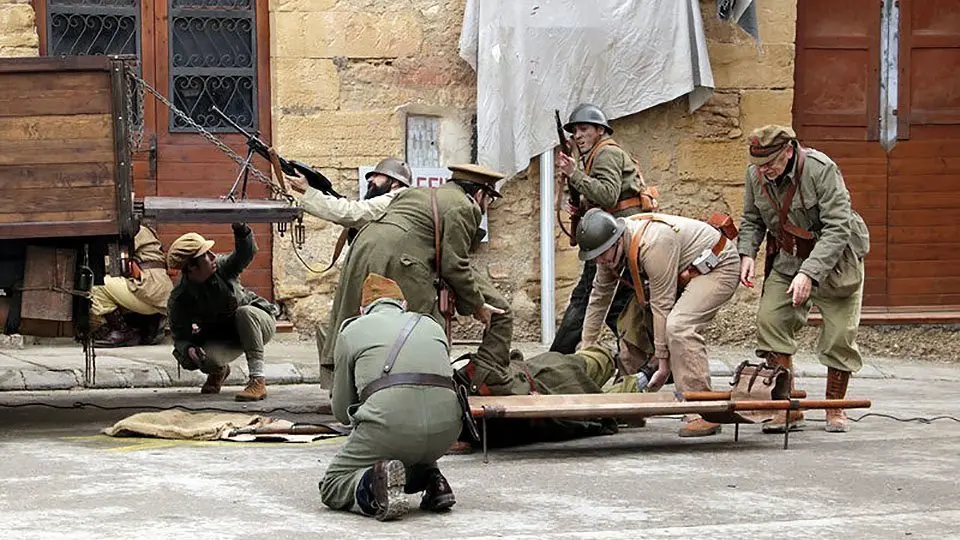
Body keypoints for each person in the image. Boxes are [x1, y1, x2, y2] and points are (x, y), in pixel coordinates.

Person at [319, 164, 513, 396]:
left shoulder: (423, 193)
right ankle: (428, 385)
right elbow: (454, 264)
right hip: (400, 259)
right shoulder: (463, 206)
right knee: (421, 324)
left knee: (358, 318)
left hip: (364, 250)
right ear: (480, 194)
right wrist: (477, 305)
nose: (486, 206)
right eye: (488, 199)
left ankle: (346, 389)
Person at [738, 125, 870, 433]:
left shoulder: (821, 170)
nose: (764, 170)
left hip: (836, 261)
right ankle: (787, 407)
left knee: (839, 335)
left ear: (788, 151)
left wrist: (809, 273)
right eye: (759, 164)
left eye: (770, 162)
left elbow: (838, 227)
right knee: (770, 320)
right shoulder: (755, 174)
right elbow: (752, 219)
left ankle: (834, 407)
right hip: (788, 258)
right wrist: (746, 253)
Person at [577, 208, 740, 437]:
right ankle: (631, 406)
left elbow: (662, 306)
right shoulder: (608, 253)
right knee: (629, 325)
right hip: (679, 272)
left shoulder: (653, 243)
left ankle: (702, 409)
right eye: (595, 256)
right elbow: (599, 298)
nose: (600, 260)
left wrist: (662, 365)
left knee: (680, 326)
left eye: (603, 253)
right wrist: (587, 345)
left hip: (717, 267)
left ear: (616, 240)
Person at [319, 274, 461, 521]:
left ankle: (371, 488)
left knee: (332, 484)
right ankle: (432, 479)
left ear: (363, 310)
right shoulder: (431, 325)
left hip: (389, 427)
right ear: (403, 305)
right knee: (414, 438)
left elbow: (342, 411)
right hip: (447, 432)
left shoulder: (351, 332)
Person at [552, 103, 655, 373]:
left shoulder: (606, 153)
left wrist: (575, 175)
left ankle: (558, 359)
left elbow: (609, 195)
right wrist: (581, 203)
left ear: (600, 130)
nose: (578, 135)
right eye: (574, 131)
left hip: (616, 237)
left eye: (584, 129)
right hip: (616, 236)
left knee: (586, 297)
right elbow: (606, 195)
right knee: (619, 305)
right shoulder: (596, 155)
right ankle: (651, 360)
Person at [454, 342, 645, 448]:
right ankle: (642, 376)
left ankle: (639, 374)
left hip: (546, 379)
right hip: (548, 382)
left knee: (599, 364)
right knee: (600, 365)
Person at [166, 222, 278, 401]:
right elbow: (180, 337)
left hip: (257, 323)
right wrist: (190, 350)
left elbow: (244, 254)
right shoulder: (180, 298)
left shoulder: (222, 267)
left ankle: (257, 380)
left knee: (245, 313)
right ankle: (219, 371)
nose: (212, 256)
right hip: (227, 336)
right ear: (192, 267)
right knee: (203, 359)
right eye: (205, 255)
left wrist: (241, 229)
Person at [90, 224, 173, 347]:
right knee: (113, 285)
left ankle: (122, 332)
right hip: (156, 294)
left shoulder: (133, 230)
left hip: (148, 289)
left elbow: (113, 262)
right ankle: (146, 327)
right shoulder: (143, 231)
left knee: (96, 284)